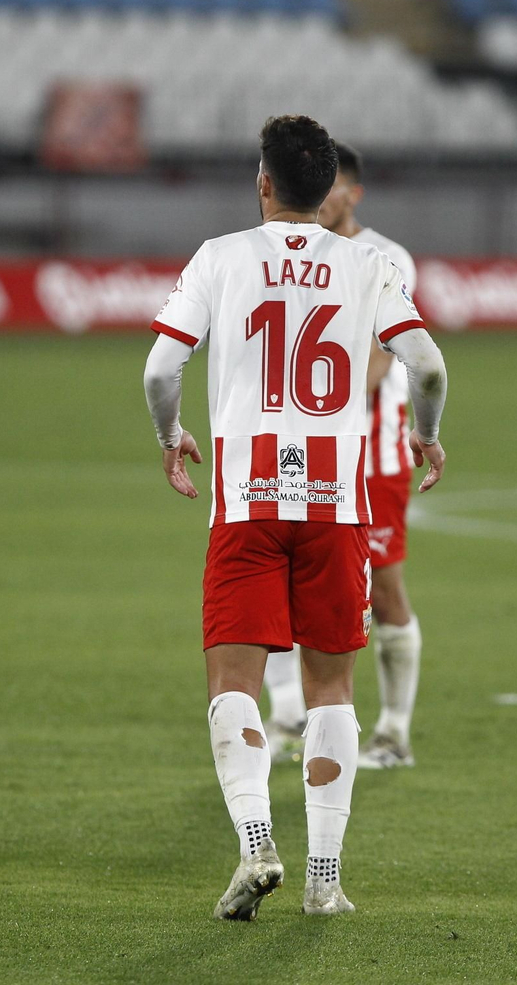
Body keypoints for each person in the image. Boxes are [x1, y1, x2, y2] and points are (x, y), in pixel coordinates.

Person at [143, 116, 449, 920]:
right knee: (331, 687)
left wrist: (170, 435)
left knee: (234, 681)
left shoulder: (221, 256)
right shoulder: (369, 262)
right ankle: (324, 878)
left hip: (247, 502)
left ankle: (254, 842)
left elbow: (161, 365)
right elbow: (428, 364)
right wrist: (424, 431)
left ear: (263, 183)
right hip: (335, 505)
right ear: (331, 191)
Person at [262, 143, 426, 770]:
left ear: (352, 193)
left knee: (382, 593)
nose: (320, 200)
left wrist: (314, 398)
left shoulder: (385, 259)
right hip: (299, 450)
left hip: (372, 455)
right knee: (278, 583)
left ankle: (394, 731)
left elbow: (383, 361)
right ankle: (285, 715)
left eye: (332, 189)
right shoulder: (294, 255)